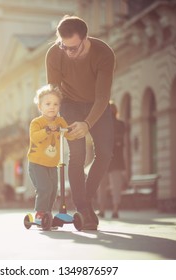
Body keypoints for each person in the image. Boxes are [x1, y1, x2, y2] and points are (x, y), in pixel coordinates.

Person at [46, 15, 115, 230]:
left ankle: (85, 199)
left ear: (86, 39)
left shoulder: (103, 53)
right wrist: (54, 119)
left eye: (73, 48)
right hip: (70, 105)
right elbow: (54, 92)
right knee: (77, 154)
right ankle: (84, 208)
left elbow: (103, 96)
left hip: (98, 105)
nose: (67, 52)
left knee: (105, 153)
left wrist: (87, 123)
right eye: (63, 46)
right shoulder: (54, 54)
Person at [27, 84, 73, 224]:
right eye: (48, 104)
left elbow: (68, 135)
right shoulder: (37, 122)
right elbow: (35, 137)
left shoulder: (60, 121)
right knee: (44, 188)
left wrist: (72, 131)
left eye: (55, 104)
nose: (52, 107)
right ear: (40, 107)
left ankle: (48, 213)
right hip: (37, 163)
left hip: (52, 164)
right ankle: (40, 213)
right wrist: (47, 130)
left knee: (54, 189)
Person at [97, 102, 127, 219]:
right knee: (116, 186)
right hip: (117, 159)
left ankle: (102, 209)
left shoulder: (103, 125)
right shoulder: (121, 124)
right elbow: (122, 142)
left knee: (101, 186)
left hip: (104, 159)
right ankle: (115, 210)